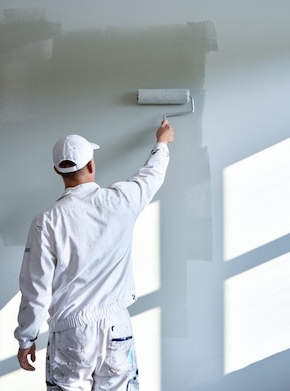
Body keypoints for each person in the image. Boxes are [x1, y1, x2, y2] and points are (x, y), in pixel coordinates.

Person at [15, 120, 175, 390]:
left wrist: (26, 339)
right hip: (116, 326)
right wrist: (162, 142)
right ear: (91, 165)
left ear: (57, 171)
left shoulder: (46, 221)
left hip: (71, 332)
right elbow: (152, 175)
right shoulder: (120, 201)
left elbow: (36, 288)